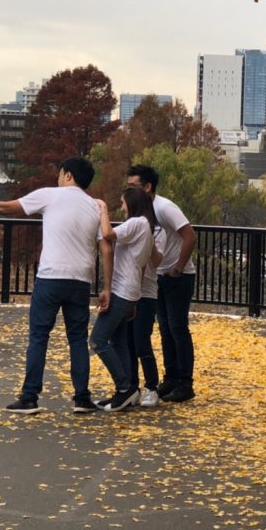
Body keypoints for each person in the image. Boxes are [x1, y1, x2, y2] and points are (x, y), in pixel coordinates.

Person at [0, 157, 110, 415]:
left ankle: (30, 397)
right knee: (78, 340)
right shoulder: (94, 206)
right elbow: (106, 245)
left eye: (60, 173)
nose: (58, 178)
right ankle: (82, 398)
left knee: (39, 337)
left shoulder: (51, 195)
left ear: (68, 175)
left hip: (51, 277)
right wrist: (107, 286)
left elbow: (7, 208)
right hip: (81, 279)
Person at [126, 164, 197, 402]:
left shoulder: (164, 207)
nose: (129, 191)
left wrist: (178, 267)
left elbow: (190, 235)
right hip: (160, 276)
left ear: (147, 187)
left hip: (178, 276)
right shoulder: (141, 210)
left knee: (178, 327)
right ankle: (171, 378)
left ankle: (185, 383)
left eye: (133, 186)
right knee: (165, 328)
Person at [91, 185, 156, 412]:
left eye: (123, 202)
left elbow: (108, 234)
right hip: (129, 291)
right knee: (119, 342)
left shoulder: (137, 223)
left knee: (98, 340)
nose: (121, 206)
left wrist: (103, 210)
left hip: (121, 290)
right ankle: (128, 390)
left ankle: (124, 388)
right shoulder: (145, 226)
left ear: (132, 202)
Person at [127, 223, 165, 407]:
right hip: (127, 292)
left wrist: (148, 241)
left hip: (146, 294)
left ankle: (152, 387)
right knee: (128, 343)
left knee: (141, 342)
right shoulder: (129, 227)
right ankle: (132, 388)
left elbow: (156, 261)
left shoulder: (157, 231)